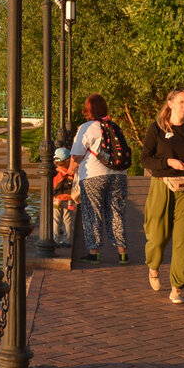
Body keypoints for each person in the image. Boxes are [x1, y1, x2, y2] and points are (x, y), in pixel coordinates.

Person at [140, 88, 184, 304]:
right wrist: (167, 162)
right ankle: (153, 267)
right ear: (169, 103)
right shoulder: (157, 129)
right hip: (162, 186)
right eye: (180, 102)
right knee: (158, 236)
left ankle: (177, 286)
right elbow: (145, 160)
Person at [69, 94, 128, 265]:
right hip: (118, 174)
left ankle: (94, 253)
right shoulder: (114, 127)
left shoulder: (86, 128)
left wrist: (70, 171)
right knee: (116, 212)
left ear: (88, 110)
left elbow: (77, 154)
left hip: (94, 175)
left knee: (92, 213)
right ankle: (122, 253)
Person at [52, 147, 77, 247]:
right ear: (67, 160)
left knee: (56, 220)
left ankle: (55, 240)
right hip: (69, 199)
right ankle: (67, 240)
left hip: (57, 199)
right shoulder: (71, 173)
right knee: (68, 220)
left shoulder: (55, 173)